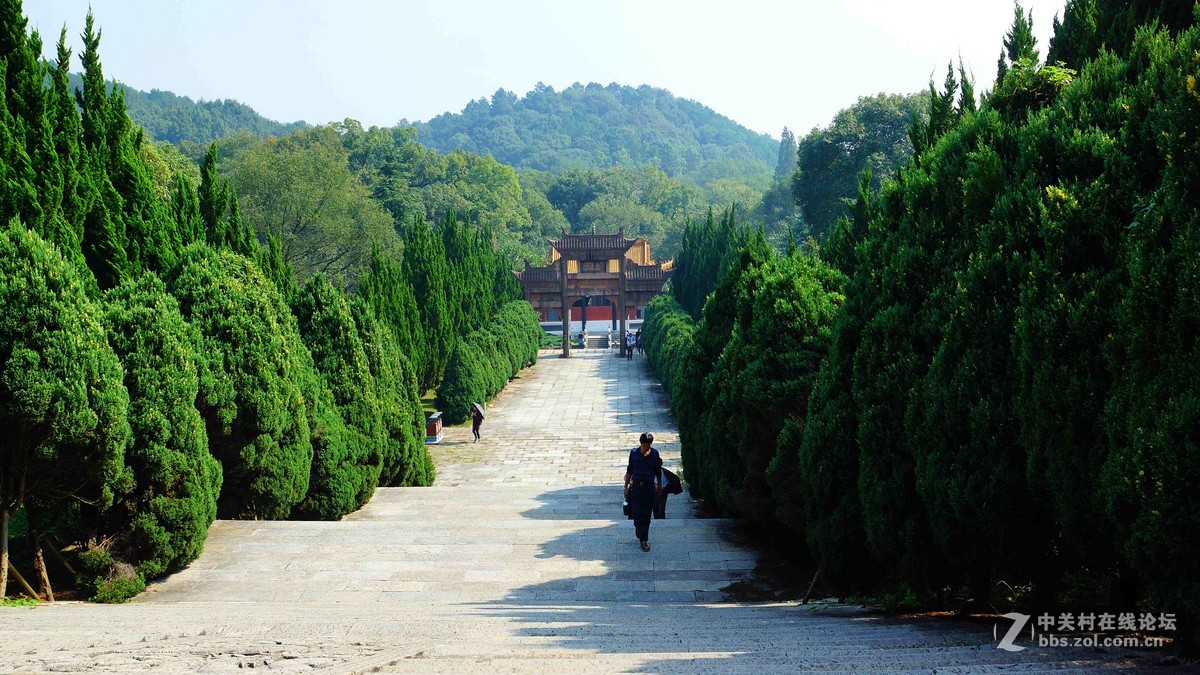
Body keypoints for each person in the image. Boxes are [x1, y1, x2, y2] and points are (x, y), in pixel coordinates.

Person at [624, 432, 662, 552]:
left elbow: (658, 472)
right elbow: (629, 469)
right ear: (641, 443)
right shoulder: (634, 453)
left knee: (646, 515)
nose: (647, 447)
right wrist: (625, 487)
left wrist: (659, 487)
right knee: (636, 513)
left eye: (649, 445)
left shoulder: (655, 454)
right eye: (645, 445)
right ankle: (638, 528)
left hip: (649, 488)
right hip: (636, 487)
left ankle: (644, 540)